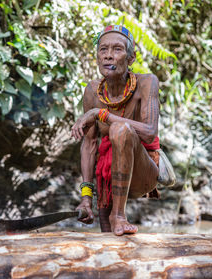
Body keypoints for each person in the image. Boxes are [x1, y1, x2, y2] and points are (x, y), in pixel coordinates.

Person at [71, 25, 173, 236]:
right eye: (103, 50)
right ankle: (113, 220)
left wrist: (101, 115)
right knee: (107, 242)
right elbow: (89, 145)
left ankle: (119, 215)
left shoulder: (147, 83)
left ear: (131, 58)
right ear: (97, 57)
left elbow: (149, 132)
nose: (109, 56)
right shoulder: (91, 91)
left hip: (143, 173)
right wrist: (86, 198)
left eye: (117, 49)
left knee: (120, 130)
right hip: (108, 179)